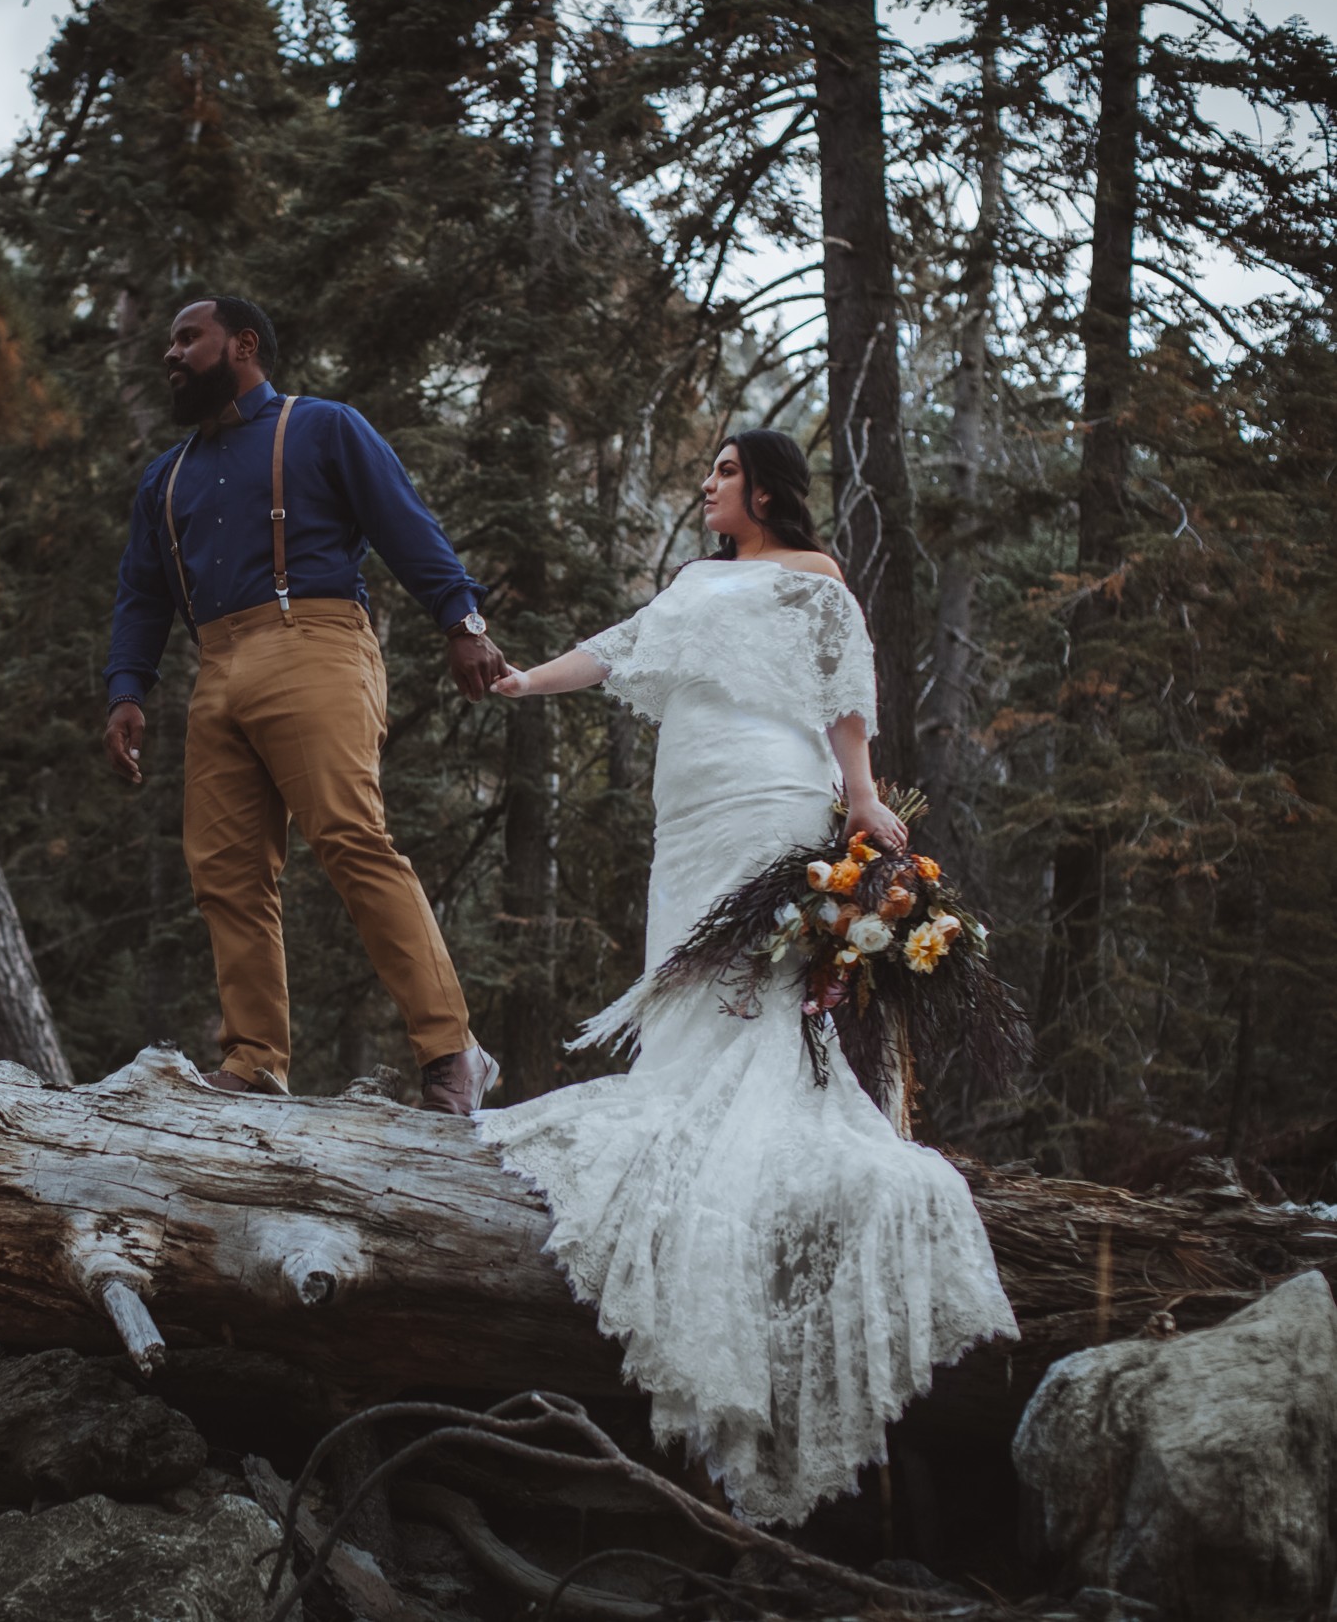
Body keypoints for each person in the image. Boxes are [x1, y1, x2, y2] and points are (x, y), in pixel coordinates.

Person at [481, 429, 1018, 1525]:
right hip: (688, 808)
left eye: (724, 472)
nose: (707, 483)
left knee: (755, 989)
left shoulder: (813, 577)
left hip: (770, 787)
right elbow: (623, 646)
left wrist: (860, 794)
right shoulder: (695, 580)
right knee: (685, 989)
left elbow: (845, 687)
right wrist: (526, 680)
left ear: (766, 489)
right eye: (711, 470)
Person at [102, 295, 505, 1114]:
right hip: (216, 666)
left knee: (351, 837)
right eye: (170, 343)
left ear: (243, 345)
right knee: (225, 872)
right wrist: (126, 689)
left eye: (189, 339)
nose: (171, 354)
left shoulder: (321, 426)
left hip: (314, 639)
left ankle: (452, 1050)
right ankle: (254, 1061)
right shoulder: (164, 477)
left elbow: (404, 524)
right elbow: (141, 594)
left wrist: (461, 622)